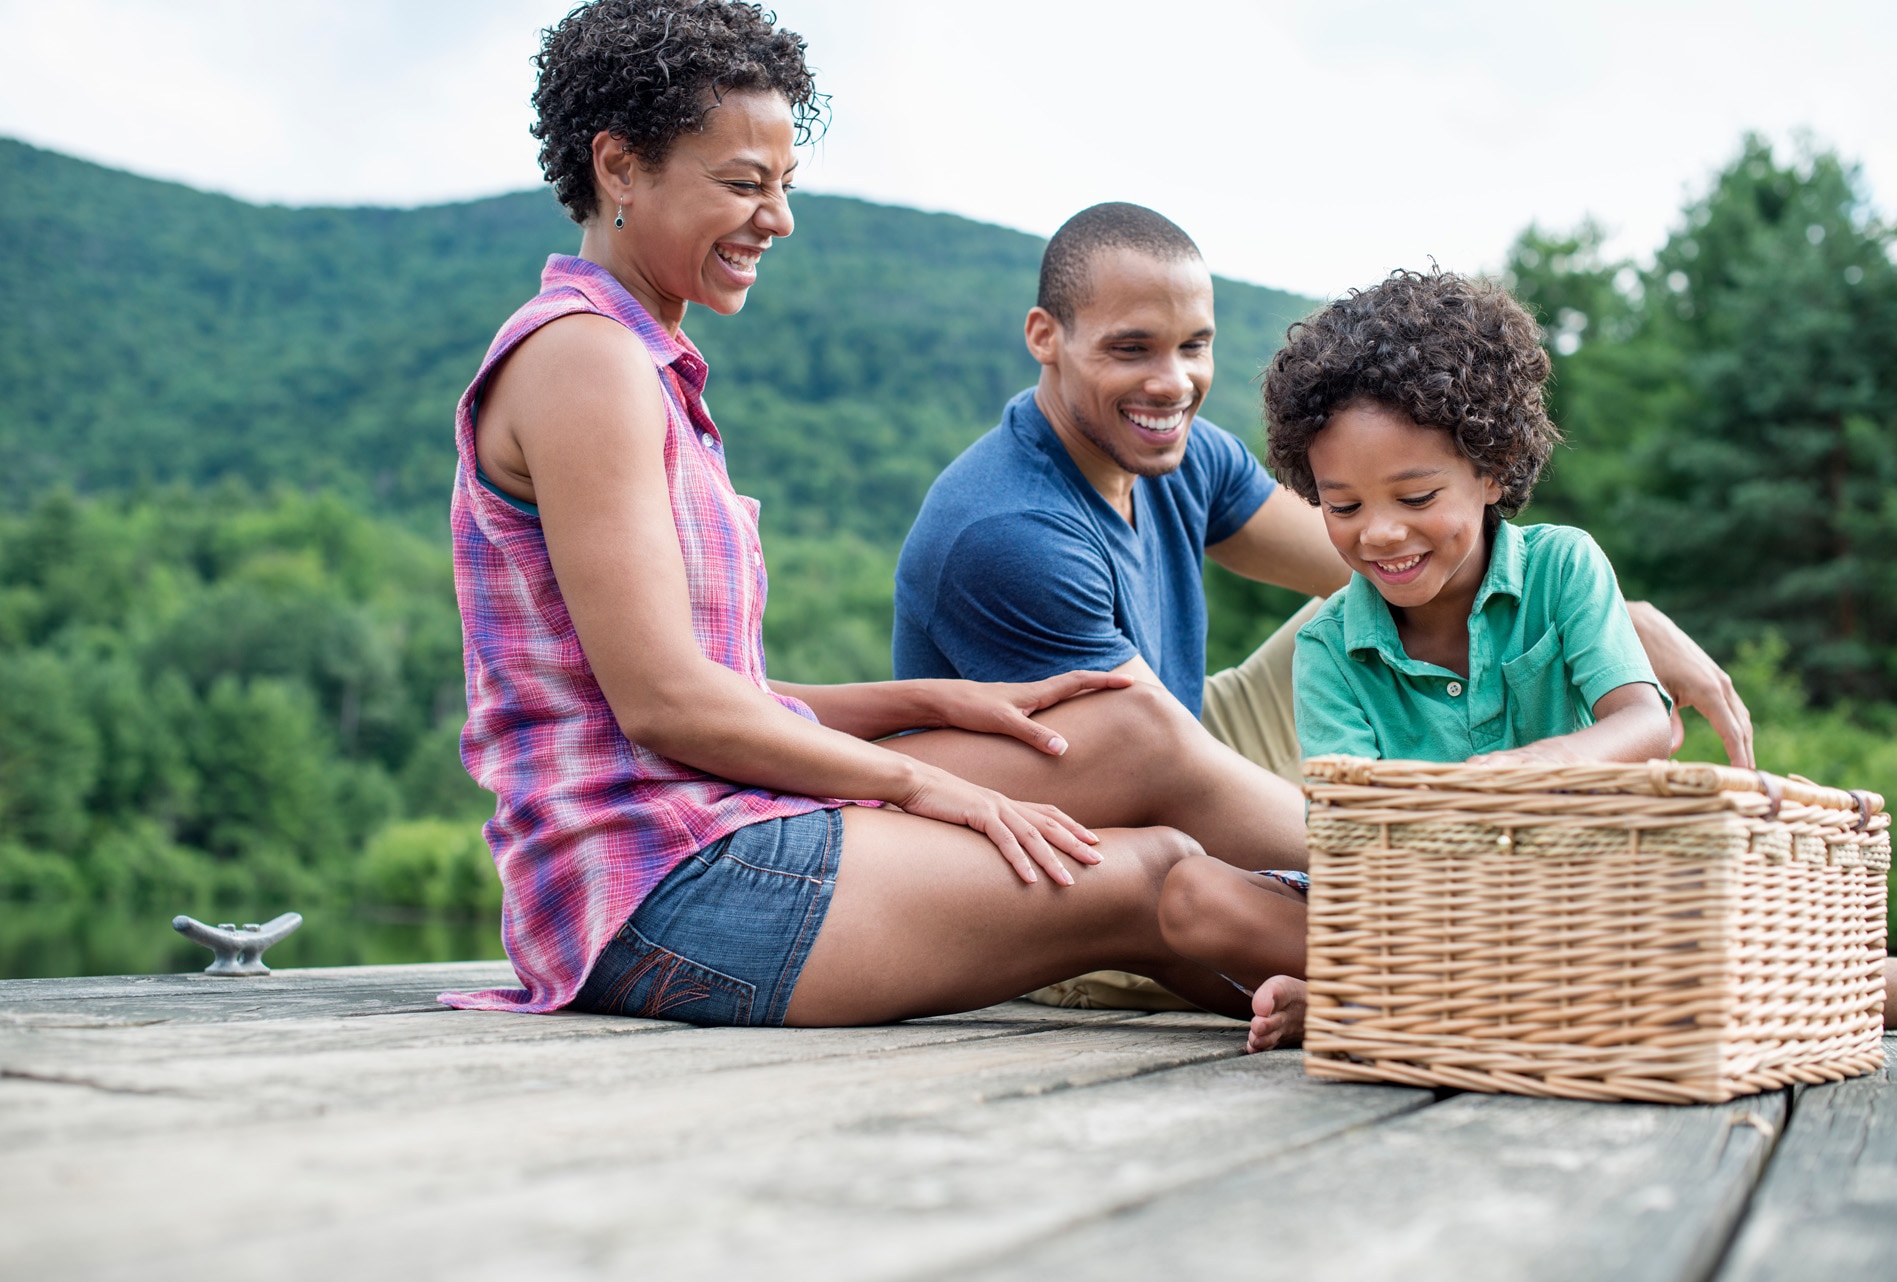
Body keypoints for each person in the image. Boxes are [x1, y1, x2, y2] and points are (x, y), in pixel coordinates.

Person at [438, 0, 1317, 1035]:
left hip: (722, 820)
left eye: (783, 186)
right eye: (741, 185)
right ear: (620, 168)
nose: (778, 218)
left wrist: (931, 699)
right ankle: (1468, 953)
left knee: (1125, 726)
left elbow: (713, 688)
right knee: (1153, 870)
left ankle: (1414, 926)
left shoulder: (640, 364)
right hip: (663, 890)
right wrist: (921, 781)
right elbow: (667, 709)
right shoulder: (584, 360)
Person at [892, 202, 1755, 1009]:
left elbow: (1389, 551)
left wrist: (1610, 622)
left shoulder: (1180, 453)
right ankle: (1476, 926)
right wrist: (1445, 840)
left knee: (1377, 586)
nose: (1172, 382)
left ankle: (1448, 911)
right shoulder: (1008, 532)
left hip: (1190, 741)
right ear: (1045, 337)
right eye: (1132, 349)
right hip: (1069, 839)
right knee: (1194, 815)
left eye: (1194, 345)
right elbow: (1141, 768)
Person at [1156, 269, 1897, 1050]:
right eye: (1344, 506)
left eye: (1416, 498)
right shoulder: (1327, 645)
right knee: (1192, 898)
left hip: (1587, 894)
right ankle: (1459, 998)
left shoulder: (1565, 568)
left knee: (1773, 954)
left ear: (1490, 471)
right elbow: (1348, 831)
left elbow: (1646, 721)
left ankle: (1380, 1004)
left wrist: (1533, 769)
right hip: (1416, 908)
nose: (1379, 533)